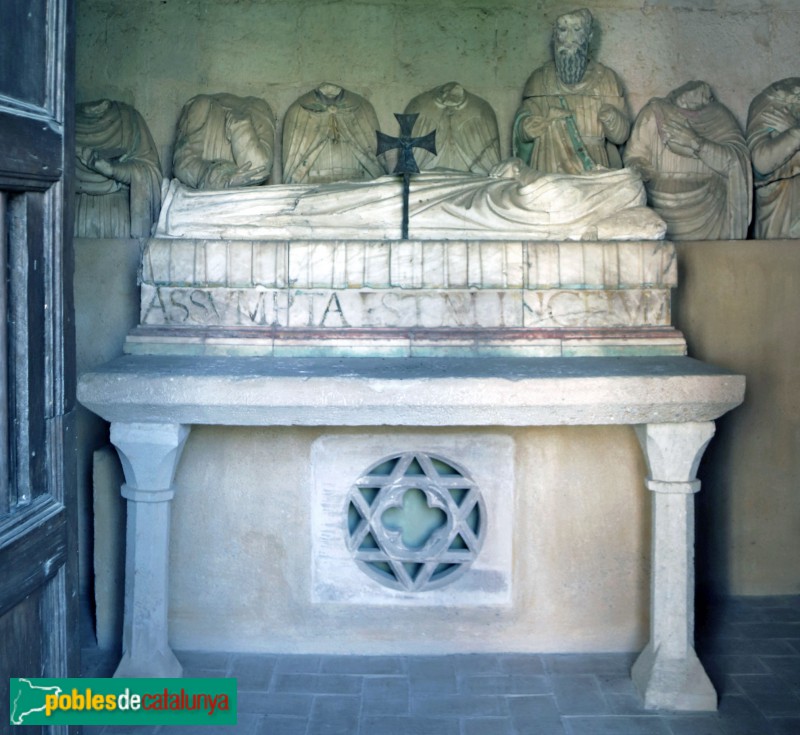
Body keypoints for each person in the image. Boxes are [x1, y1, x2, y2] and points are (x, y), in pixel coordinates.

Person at [624, 80, 751, 240]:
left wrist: (696, 142)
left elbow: (736, 161)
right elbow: (634, 156)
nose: (699, 96)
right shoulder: (655, 113)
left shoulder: (719, 115)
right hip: (658, 206)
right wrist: (640, 170)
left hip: (711, 209)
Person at [512, 8, 630, 174]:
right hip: (549, 164)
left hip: (593, 165)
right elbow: (522, 124)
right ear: (554, 36)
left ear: (589, 36)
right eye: (562, 30)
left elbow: (621, 136)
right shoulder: (539, 79)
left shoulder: (607, 79)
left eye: (576, 30)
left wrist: (611, 118)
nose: (568, 38)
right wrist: (527, 127)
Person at [75, 99, 162, 237]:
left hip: (119, 215)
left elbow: (150, 171)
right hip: (75, 214)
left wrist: (112, 169)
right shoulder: (64, 118)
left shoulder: (129, 118)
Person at [282, 83, 386, 184]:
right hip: (312, 186)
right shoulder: (298, 111)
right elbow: (292, 168)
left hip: (357, 184)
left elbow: (375, 161)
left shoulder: (363, 109)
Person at [172, 93, 275, 189]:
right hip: (205, 201)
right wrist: (224, 176)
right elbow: (183, 164)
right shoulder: (201, 105)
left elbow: (259, 170)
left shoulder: (259, 108)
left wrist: (240, 127)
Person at [403, 82, 501, 175]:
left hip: (472, 181)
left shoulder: (480, 109)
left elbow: (491, 165)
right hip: (426, 178)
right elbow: (409, 166)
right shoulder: (420, 106)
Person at [746, 77, 800, 238]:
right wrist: (795, 134)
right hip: (779, 203)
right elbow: (761, 163)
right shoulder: (771, 103)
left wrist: (794, 129)